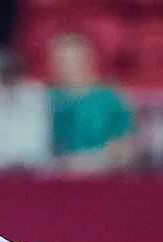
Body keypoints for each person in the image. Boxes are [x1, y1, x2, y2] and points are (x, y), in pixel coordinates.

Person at [47, 31, 134, 173]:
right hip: (51, 176)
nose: (68, 66)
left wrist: (84, 162)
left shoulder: (110, 98)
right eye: (62, 60)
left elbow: (124, 147)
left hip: (99, 176)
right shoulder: (45, 97)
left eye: (74, 60)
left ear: (88, 59)